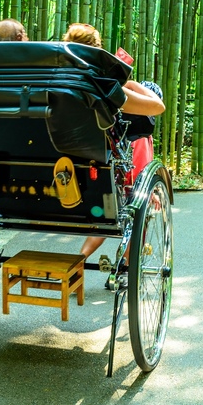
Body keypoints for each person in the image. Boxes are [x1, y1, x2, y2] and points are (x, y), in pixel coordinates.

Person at [61, 23, 165, 260]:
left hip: (61, 164)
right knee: (129, 208)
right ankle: (125, 266)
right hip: (99, 165)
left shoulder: (52, 81)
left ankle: (79, 260)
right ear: (98, 50)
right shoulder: (106, 86)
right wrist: (130, 84)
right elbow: (157, 107)